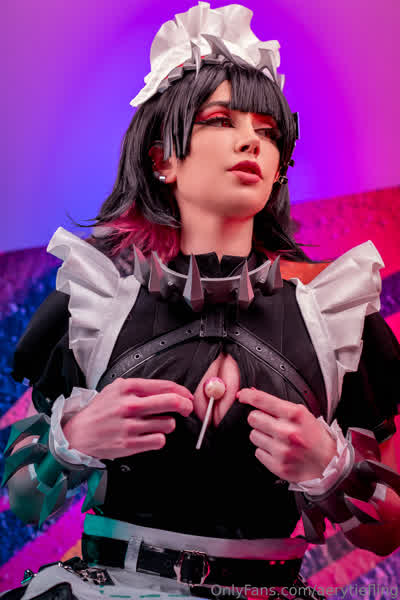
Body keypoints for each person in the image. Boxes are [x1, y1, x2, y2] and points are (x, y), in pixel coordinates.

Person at [2, 2, 400, 600]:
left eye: (267, 132)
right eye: (221, 120)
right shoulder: (96, 302)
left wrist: (334, 466)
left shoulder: (334, 316)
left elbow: (389, 531)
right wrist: (75, 437)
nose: (251, 142)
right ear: (162, 158)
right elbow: (22, 494)